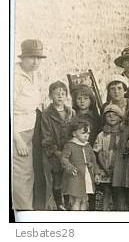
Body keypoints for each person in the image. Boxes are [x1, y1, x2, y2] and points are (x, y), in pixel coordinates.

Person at [13, 39, 46, 210]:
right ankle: (22, 212)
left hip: (32, 127)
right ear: (23, 57)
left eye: (39, 58)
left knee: (32, 172)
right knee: (21, 174)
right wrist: (17, 139)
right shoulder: (14, 77)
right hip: (18, 130)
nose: (36, 62)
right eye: (31, 57)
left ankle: (32, 208)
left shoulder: (34, 74)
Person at [41, 81, 77, 210]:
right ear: (50, 96)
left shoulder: (71, 112)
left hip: (69, 152)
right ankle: (59, 203)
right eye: (57, 94)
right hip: (55, 153)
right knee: (57, 178)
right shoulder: (46, 114)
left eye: (63, 93)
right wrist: (56, 152)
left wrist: (72, 150)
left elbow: (75, 131)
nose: (60, 96)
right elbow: (47, 137)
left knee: (68, 177)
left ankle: (68, 202)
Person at [60, 120, 99, 211]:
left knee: (84, 199)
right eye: (83, 133)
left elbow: (93, 160)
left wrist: (96, 173)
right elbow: (64, 159)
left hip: (87, 175)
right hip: (76, 176)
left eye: (88, 133)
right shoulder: (70, 145)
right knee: (76, 199)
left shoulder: (88, 146)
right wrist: (70, 168)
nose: (86, 136)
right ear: (74, 133)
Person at [93, 104, 125, 211]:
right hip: (105, 167)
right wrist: (103, 168)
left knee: (119, 192)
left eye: (114, 115)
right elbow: (98, 152)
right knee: (106, 191)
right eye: (108, 115)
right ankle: (104, 213)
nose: (111, 117)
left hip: (119, 169)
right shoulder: (102, 135)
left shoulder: (124, 134)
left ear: (120, 117)